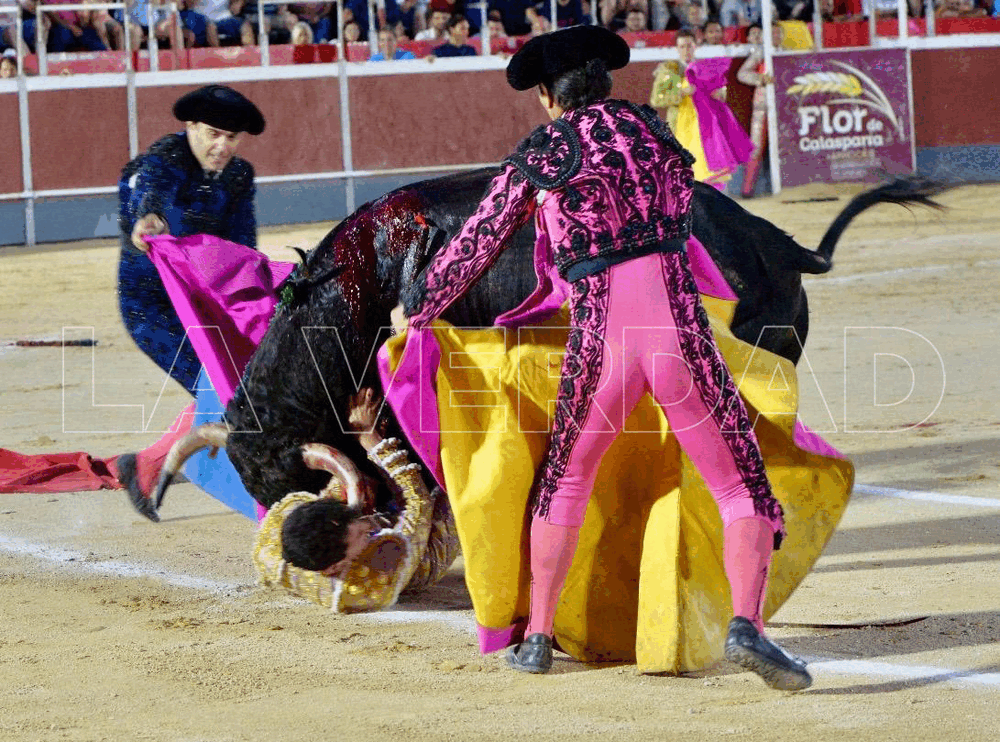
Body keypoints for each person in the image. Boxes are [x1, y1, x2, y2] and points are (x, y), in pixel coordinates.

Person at [394, 25, 810, 690]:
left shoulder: (546, 149)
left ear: (544, 96)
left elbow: (477, 240)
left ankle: (536, 638)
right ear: (605, 82)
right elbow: (694, 206)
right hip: (681, 339)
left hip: (601, 350)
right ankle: (747, 626)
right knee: (740, 486)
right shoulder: (657, 135)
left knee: (565, 481)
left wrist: (418, 304)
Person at [115, 85, 265, 520]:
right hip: (153, 306)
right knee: (221, 384)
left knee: (235, 380)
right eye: (214, 133)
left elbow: (241, 241)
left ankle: (147, 464)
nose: (223, 146)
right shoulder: (164, 160)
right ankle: (149, 465)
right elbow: (148, 197)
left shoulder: (239, 176)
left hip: (205, 302)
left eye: (232, 138)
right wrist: (146, 219)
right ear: (191, 127)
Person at [254, 388, 462, 612]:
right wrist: (371, 441)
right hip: (425, 552)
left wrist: (354, 481)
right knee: (459, 487)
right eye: (358, 534)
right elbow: (419, 503)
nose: (364, 523)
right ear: (336, 567)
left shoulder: (276, 544)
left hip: (365, 529)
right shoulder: (377, 573)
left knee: (355, 487)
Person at [671, 28, 753, 190]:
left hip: (706, 127)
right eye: (682, 46)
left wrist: (723, 91)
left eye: (689, 45)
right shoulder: (669, 70)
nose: (686, 50)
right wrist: (680, 93)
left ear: (696, 46)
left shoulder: (704, 68)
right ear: (676, 49)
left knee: (711, 164)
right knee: (688, 169)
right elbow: (657, 98)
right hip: (681, 126)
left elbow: (718, 88)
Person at [736, 22, 772, 197]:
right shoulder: (761, 53)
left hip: (782, 105)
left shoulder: (783, 51)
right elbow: (742, 74)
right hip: (762, 106)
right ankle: (747, 190)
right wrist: (761, 79)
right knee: (756, 147)